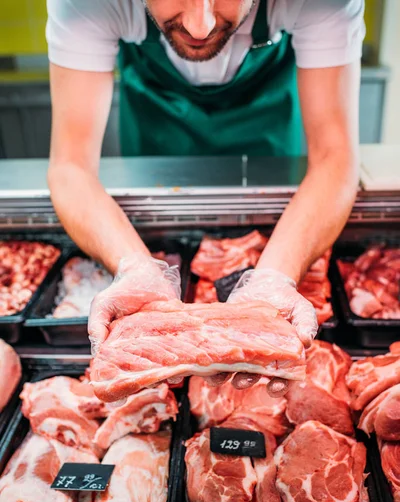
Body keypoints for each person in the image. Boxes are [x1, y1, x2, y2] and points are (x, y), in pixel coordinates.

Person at [46, 0, 364, 390]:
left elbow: (336, 159)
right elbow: (70, 167)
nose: (201, 25)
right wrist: (136, 268)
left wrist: (274, 276)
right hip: (156, 142)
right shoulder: (86, 3)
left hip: (269, 149)